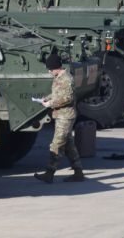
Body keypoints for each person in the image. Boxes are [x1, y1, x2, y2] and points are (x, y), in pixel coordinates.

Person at [34, 53, 85, 183]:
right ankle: (78, 172)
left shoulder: (66, 79)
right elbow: (58, 93)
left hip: (65, 116)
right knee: (69, 145)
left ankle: (49, 173)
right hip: (61, 115)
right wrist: (47, 98)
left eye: (50, 69)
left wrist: (50, 104)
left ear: (57, 67)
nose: (49, 71)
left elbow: (67, 98)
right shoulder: (59, 77)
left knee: (56, 145)